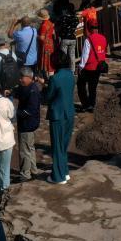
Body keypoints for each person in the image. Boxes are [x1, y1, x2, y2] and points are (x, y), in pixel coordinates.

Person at [44, 50, 75, 184]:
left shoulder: (54, 78)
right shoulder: (70, 75)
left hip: (58, 115)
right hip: (69, 113)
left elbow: (48, 97)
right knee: (63, 145)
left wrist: (44, 87)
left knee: (57, 147)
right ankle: (64, 171)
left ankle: (58, 176)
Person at [13, 68, 42, 182]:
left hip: (27, 124)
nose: (20, 79)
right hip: (30, 123)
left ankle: (25, 174)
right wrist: (12, 92)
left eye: (22, 77)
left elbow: (31, 110)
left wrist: (16, 113)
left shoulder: (33, 90)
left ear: (29, 78)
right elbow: (19, 90)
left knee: (24, 150)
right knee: (30, 147)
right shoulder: (28, 87)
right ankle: (34, 171)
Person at [77, 24, 108, 112]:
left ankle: (85, 104)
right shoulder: (103, 38)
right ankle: (91, 105)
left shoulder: (88, 39)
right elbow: (103, 50)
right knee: (93, 87)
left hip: (88, 67)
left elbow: (85, 55)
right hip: (98, 67)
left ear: (90, 30)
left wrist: (80, 66)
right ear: (98, 29)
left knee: (81, 85)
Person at [54, 5, 80, 70]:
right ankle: (72, 71)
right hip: (73, 38)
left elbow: (59, 25)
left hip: (65, 39)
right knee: (72, 56)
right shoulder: (76, 18)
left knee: (63, 56)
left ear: (67, 10)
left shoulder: (64, 18)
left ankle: (63, 69)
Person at [36, 9, 57, 77]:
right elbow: (53, 33)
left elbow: (42, 38)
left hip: (45, 46)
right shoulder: (50, 23)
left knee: (46, 62)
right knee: (50, 61)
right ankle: (51, 76)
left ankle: (48, 78)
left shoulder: (43, 25)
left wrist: (36, 36)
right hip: (50, 44)